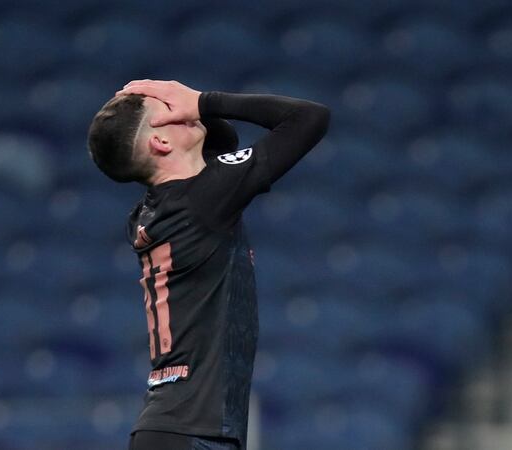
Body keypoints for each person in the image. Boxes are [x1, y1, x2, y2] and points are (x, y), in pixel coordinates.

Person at [87, 80, 330, 450]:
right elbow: (309, 118)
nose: (179, 110)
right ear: (159, 143)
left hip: (176, 429)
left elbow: (223, 140)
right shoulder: (204, 199)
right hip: (193, 433)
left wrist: (183, 108)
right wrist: (203, 100)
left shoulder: (153, 210)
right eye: (167, 114)